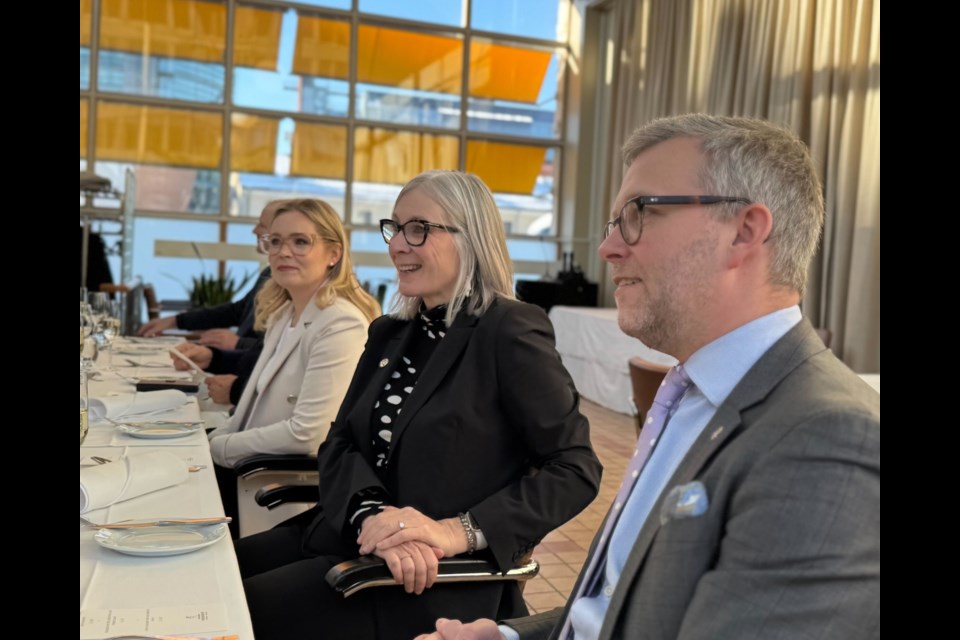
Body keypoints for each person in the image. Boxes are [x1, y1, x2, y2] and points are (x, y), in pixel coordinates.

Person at [417, 115, 881, 640]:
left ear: (744, 231)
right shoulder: (694, 392)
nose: (608, 248)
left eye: (638, 213)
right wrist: (508, 637)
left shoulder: (827, 438)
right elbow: (623, 602)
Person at [235, 170, 603, 640]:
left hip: (426, 578)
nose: (397, 246)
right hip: (350, 535)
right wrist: (370, 513)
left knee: (236, 612)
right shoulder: (391, 332)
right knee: (210, 576)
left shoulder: (508, 330)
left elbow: (574, 468)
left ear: (469, 238)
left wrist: (455, 532)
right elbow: (340, 443)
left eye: (418, 229)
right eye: (395, 228)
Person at [206, 198, 380, 534]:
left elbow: (308, 435)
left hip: (275, 493)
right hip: (244, 473)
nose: (283, 252)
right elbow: (247, 411)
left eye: (300, 241)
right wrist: (214, 440)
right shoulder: (285, 314)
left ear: (334, 254)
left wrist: (216, 447)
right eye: (275, 241)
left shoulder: (340, 323)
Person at [137, 199, 288, 350]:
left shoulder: (291, 284)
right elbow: (237, 311)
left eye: (261, 225)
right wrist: (177, 321)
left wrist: (238, 343)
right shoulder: (269, 273)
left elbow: (284, 351)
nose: (254, 230)